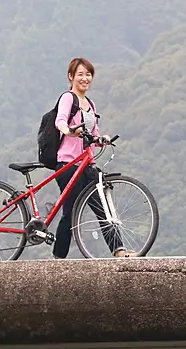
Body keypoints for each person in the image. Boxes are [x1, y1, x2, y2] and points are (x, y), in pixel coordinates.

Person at [51, 57, 134, 259]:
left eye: (88, 74)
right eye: (80, 74)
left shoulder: (91, 104)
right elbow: (60, 121)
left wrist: (101, 140)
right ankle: (58, 258)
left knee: (102, 208)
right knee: (70, 213)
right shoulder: (68, 98)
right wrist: (68, 131)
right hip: (69, 164)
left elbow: (92, 133)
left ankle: (119, 250)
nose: (85, 78)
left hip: (88, 164)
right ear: (71, 77)